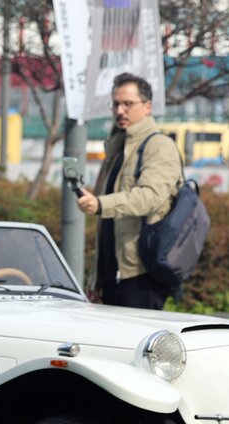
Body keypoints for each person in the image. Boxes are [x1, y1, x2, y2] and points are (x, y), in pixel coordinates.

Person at [76, 73, 183, 310]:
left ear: (147, 107)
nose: (120, 111)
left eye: (128, 104)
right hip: (112, 269)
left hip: (140, 271)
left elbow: (150, 197)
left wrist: (102, 204)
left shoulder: (159, 145)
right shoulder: (118, 148)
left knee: (138, 344)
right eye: (116, 104)